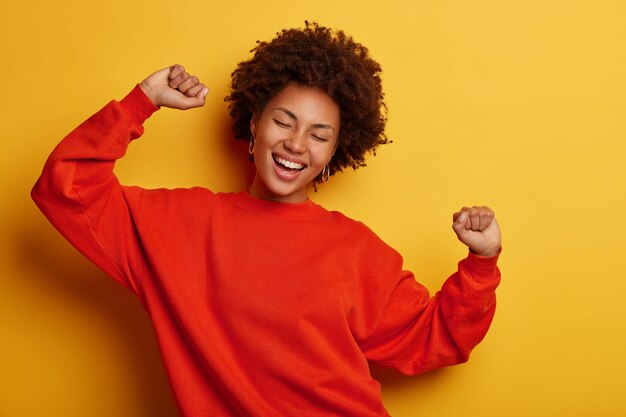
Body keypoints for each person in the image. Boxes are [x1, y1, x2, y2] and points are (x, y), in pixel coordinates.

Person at [32, 22, 501, 417]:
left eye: (319, 135)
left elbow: (434, 338)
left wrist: (481, 263)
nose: (297, 144)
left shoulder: (356, 250)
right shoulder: (176, 225)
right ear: (254, 122)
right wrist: (141, 101)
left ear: (336, 151)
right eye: (284, 121)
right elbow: (68, 187)